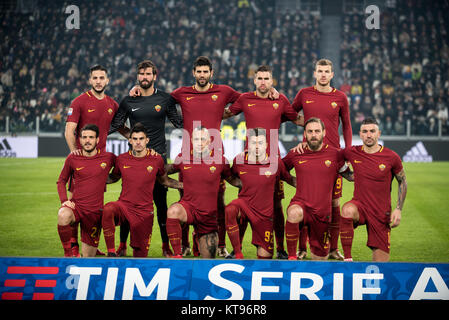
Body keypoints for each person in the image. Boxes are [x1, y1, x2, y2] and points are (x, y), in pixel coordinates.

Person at [223, 64, 301, 259]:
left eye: (267, 78)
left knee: (276, 206)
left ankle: (281, 248)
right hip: (249, 162)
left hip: (272, 162)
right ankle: (236, 248)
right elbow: (225, 113)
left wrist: (317, 127)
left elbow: (296, 119)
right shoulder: (245, 99)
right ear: (254, 80)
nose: (263, 82)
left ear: (271, 81)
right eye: (260, 78)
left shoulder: (280, 99)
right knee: (242, 205)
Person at [109, 60, 183, 257]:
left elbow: (178, 122)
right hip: (134, 159)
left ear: (154, 76)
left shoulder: (165, 99)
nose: (144, 77)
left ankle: (166, 246)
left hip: (158, 158)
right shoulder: (128, 101)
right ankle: (123, 245)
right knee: (128, 203)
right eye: (141, 74)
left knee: (161, 203)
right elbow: (116, 124)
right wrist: (134, 141)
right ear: (137, 76)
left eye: (148, 74)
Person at [291, 58, 352, 260]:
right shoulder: (304, 94)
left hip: (332, 158)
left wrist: (348, 153)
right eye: (320, 71)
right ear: (315, 73)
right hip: (307, 155)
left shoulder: (341, 97)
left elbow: (347, 126)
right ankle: (301, 248)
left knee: (333, 203)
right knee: (305, 201)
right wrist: (306, 131)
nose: (323, 74)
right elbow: (290, 113)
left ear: (332, 74)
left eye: (327, 71)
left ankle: (332, 248)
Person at [102, 123, 183, 258]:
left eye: (141, 139)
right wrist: (92, 178)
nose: (138, 142)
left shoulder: (156, 159)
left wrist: (187, 186)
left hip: (144, 212)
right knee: (108, 209)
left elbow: (164, 181)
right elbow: (114, 177)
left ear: (147, 140)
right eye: (135, 139)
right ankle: (111, 252)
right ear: (130, 141)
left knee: (140, 256)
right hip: (124, 206)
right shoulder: (121, 159)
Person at [64, 64, 119, 256]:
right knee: (75, 202)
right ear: (90, 80)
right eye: (95, 78)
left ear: (107, 80)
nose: (98, 81)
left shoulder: (112, 104)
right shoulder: (79, 102)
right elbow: (69, 130)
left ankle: (90, 246)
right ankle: (73, 246)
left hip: (100, 164)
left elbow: (121, 126)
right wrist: (75, 155)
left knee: (94, 205)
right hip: (82, 162)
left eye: (101, 78)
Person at [165, 126, 240, 258]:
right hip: (189, 208)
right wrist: (179, 184)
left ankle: (199, 243)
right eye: (196, 139)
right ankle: (177, 255)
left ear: (209, 141)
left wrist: (255, 183)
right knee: (173, 211)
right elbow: (163, 173)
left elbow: (233, 180)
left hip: (208, 216)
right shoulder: (183, 158)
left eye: (203, 139)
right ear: (192, 141)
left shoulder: (220, 160)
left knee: (208, 261)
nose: (199, 142)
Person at [283, 118, 353, 260]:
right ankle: (291, 258)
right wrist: (292, 180)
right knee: (293, 213)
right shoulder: (296, 153)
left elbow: (350, 176)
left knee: (320, 260)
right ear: (305, 134)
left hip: (322, 214)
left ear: (324, 133)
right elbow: (279, 169)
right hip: (301, 205)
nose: (313, 135)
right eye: (310, 131)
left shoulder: (335, 154)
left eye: (317, 131)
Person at [340, 118, 407, 262]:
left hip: (381, 213)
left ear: (379, 133)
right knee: (347, 210)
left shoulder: (391, 157)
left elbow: (402, 182)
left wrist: (398, 209)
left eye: (372, 131)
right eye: (365, 131)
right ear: (360, 134)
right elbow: (331, 157)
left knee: (381, 263)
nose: (368, 135)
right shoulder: (352, 152)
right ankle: (347, 259)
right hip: (360, 206)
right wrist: (348, 175)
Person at [225, 128, 296, 259]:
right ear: (248, 143)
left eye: (260, 143)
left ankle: (270, 249)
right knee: (230, 209)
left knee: (265, 258)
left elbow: (290, 179)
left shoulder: (275, 162)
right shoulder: (239, 160)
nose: (257, 146)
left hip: (264, 214)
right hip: (244, 205)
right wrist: (241, 184)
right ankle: (237, 253)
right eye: (253, 143)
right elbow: (229, 176)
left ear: (267, 145)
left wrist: (313, 184)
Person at [56, 124, 115, 257]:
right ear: (80, 140)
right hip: (77, 207)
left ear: (97, 140)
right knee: (63, 215)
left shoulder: (108, 157)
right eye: (84, 137)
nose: (87, 140)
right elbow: (61, 181)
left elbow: (122, 169)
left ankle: (91, 253)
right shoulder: (73, 158)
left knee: (88, 258)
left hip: (94, 213)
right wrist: (64, 201)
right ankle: (68, 254)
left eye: (91, 137)